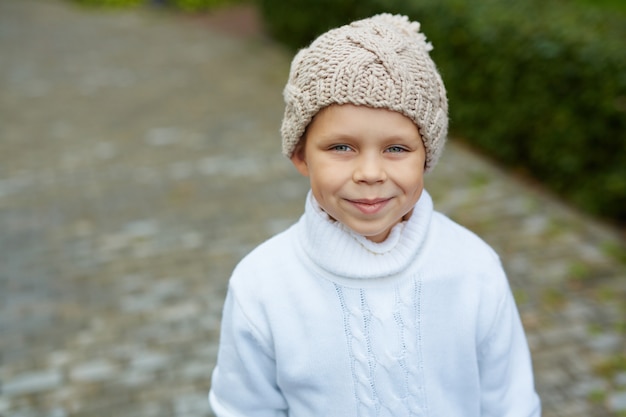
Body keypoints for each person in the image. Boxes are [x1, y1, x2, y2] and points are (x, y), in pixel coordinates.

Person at [209, 13, 541, 416]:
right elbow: (244, 408)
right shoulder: (261, 285)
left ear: (426, 157)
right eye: (341, 147)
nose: (369, 173)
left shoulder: (473, 268)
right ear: (300, 154)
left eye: (396, 149)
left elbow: (511, 402)